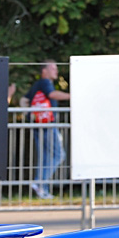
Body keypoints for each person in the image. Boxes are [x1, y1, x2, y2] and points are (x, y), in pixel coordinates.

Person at [21, 60, 70, 198]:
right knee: (59, 155)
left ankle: (42, 188)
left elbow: (24, 99)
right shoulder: (45, 83)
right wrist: (73, 96)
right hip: (47, 124)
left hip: (39, 123)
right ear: (44, 71)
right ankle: (40, 183)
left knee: (47, 156)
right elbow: (52, 95)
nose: (56, 71)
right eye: (53, 68)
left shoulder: (37, 85)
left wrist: (28, 114)